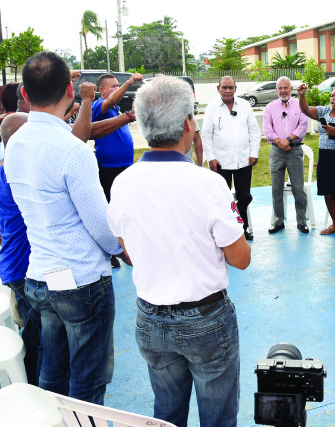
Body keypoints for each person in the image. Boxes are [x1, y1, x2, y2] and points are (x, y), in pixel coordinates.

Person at [106, 76, 251, 427]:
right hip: (206, 319)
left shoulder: (123, 183)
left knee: (167, 412)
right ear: (189, 123)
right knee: (217, 416)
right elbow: (240, 258)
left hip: (151, 317)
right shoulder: (208, 184)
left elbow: (128, 251)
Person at [3, 51, 129, 405]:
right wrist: (122, 250)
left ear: (25, 95)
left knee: (52, 373)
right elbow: (100, 224)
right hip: (81, 281)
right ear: (69, 92)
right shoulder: (72, 150)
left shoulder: (15, 144)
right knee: (88, 380)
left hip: (43, 276)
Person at [0, 112, 40, 386]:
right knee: (38, 335)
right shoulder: (18, 176)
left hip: (13, 264)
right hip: (26, 267)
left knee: (33, 327)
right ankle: (32, 387)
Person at [297, 80, 335, 239]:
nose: (333, 99)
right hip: (325, 156)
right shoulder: (324, 111)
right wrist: (302, 95)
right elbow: (304, 109)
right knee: (329, 193)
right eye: (332, 96)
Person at [203, 76, 261, 240]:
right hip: (221, 162)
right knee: (221, 199)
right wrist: (211, 158)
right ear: (218, 88)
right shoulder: (212, 108)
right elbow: (206, 136)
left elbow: (254, 131)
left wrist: (254, 153)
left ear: (235, 88)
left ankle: (243, 229)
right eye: (224, 87)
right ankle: (223, 231)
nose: (227, 91)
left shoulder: (244, 106)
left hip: (243, 160)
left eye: (231, 87)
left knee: (244, 197)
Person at [262, 76, 310, 234]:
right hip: (276, 151)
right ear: (276, 90)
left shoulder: (300, 105)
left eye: (286, 87)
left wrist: (288, 140)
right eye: (280, 88)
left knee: (298, 188)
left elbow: (303, 126)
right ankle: (278, 221)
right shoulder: (270, 107)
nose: (283, 90)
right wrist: (279, 142)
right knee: (276, 188)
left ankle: (302, 222)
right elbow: (267, 129)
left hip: (294, 150)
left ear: (291, 89)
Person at [92, 72, 144, 201]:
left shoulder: (116, 109)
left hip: (124, 165)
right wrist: (129, 83)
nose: (117, 88)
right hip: (109, 167)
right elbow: (110, 101)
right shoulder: (99, 105)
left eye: (118, 86)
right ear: (101, 90)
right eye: (113, 87)